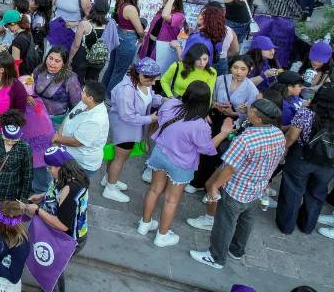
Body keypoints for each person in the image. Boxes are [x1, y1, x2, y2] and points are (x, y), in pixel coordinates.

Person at [190, 98, 287, 269]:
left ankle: (216, 257)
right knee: (246, 221)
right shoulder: (278, 134)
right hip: (256, 188)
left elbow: (230, 168)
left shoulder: (246, 139)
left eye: (251, 110)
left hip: (237, 188)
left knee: (224, 224)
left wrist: (213, 186)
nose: (248, 110)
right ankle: (236, 250)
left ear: (257, 117)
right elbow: (277, 160)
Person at [139, 81, 230, 248]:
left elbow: (160, 120)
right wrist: (223, 133)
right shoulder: (200, 125)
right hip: (181, 164)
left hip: (160, 153)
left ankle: (144, 224)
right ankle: (162, 235)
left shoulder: (171, 104)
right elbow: (207, 149)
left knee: (154, 189)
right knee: (171, 200)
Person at [25, 147, 89, 292]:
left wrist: (37, 211)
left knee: (49, 277)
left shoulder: (72, 188)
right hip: (60, 236)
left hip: (66, 239)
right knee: (56, 274)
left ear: (62, 166)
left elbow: (63, 225)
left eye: (51, 168)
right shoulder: (68, 176)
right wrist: (43, 197)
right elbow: (56, 195)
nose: (49, 171)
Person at [102, 58, 167, 202]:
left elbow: (150, 96)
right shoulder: (126, 90)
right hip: (124, 129)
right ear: (140, 75)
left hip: (131, 128)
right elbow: (127, 116)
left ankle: (109, 179)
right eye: (151, 80)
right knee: (120, 158)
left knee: (115, 156)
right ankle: (110, 188)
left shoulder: (143, 83)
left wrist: (162, 100)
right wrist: (150, 118)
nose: (154, 83)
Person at [276, 82, 334, 235]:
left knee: (292, 190)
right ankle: (307, 226)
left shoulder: (306, 113)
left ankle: (286, 226)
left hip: (301, 157)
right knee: (317, 193)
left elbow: (291, 137)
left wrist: (283, 151)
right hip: (329, 162)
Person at [52, 82, 110, 179]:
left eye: (83, 92)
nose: (81, 93)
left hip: (81, 164)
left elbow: (77, 142)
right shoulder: (85, 102)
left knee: (73, 190)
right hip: (68, 156)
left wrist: (58, 139)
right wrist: (59, 136)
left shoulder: (96, 120)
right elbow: (69, 117)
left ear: (91, 98)